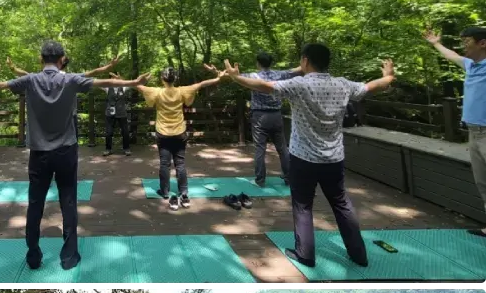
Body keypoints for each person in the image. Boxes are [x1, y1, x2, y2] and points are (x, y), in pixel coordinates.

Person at [0, 43, 149, 270]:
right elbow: (103, 82)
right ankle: (69, 258)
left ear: (41, 58)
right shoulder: (70, 80)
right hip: (66, 151)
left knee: (35, 204)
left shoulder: (30, 80)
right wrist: (133, 83)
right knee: (68, 202)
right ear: (62, 59)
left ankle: (33, 257)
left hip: (39, 154)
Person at [225, 46, 396, 268]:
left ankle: (305, 254)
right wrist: (389, 77)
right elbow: (371, 87)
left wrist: (237, 78)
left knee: (303, 205)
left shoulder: (299, 85)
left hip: (303, 159)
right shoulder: (342, 84)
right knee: (341, 204)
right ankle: (359, 255)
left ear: (306, 61)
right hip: (334, 159)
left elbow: (265, 86)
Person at [424, 27, 486, 236]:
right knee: (482, 183)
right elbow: (453, 56)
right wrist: (435, 43)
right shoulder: (470, 65)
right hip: (474, 133)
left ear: (482, 43)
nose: (463, 45)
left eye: (467, 41)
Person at [137, 68, 227, 210]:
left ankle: (165, 192)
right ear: (175, 79)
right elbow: (202, 84)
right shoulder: (182, 91)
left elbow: (136, 85)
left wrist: (123, 79)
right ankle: (183, 193)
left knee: (164, 163)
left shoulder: (156, 92)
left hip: (163, 133)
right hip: (180, 132)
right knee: (180, 163)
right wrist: (218, 78)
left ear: (162, 79)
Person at [208, 54, 299, 186]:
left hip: (260, 116)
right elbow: (295, 71)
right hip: (276, 115)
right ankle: (289, 178)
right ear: (271, 63)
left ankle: (260, 180)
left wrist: (216, 72)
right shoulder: (280, 74)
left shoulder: (253, 77)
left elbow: (232, 77)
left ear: (258, 63)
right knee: (282, 148)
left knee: (260, 148)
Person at [103, 82, 131, 156]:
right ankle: (108, 149)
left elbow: (130, 84)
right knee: (109, 132)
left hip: (122, 113)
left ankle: (126, 148)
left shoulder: (123, 87)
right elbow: (98, 84)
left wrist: (121, 79)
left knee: (125, 132)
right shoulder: (107, 88)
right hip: (110, 113)